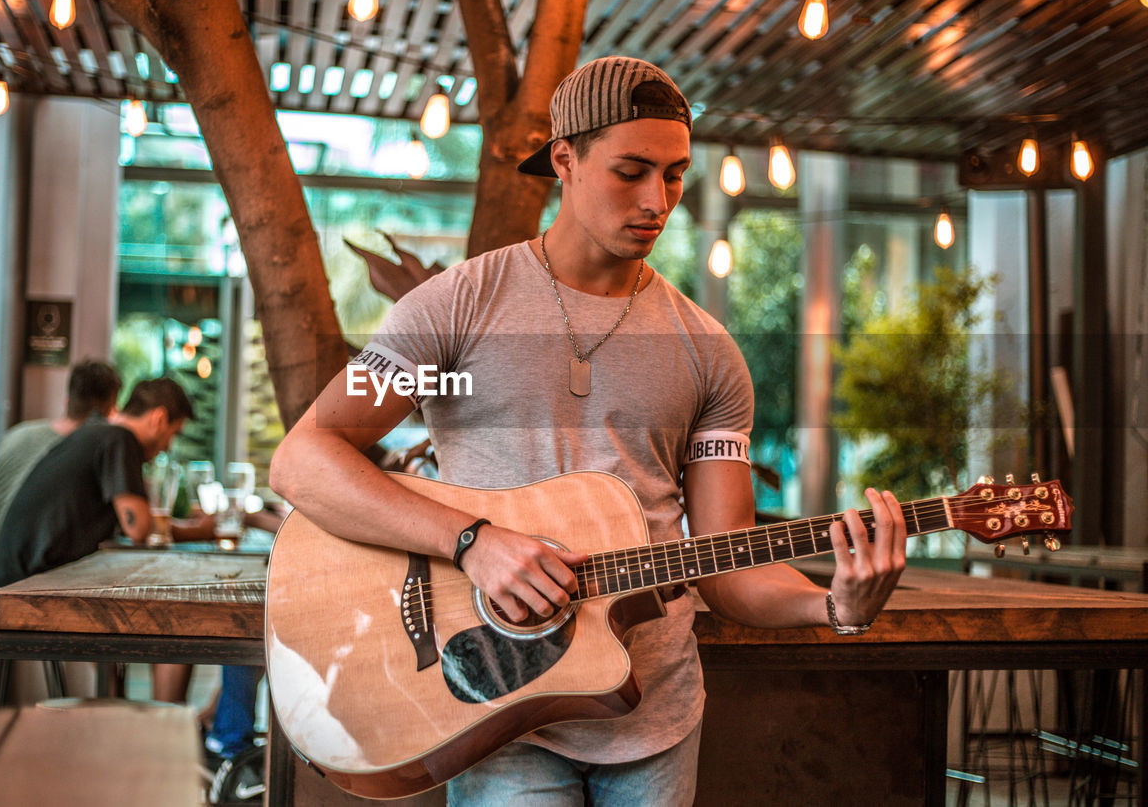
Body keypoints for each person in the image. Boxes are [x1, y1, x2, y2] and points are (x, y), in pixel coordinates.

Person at [269, 57, 907, 805]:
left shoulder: (707, 353)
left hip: (654, 715)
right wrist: (471, 541)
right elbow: (305, 459)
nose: (656, 200)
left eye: (673, 175)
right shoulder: (456, 310)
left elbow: (727, 562)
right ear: (564, 158)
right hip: (496, 709)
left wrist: (834, 606)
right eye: (631, 170)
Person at [0, 377, 213, 589]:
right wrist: (200, 531)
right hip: (21, 588)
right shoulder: (120, 440)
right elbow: (139, 528)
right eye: (173, 434)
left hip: (16, 579)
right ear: (159, 419)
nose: (168, 447)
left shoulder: (99, 432)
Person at [0, 359, 122, 587]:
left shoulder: (17, 435)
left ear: (67, 400)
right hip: (26, 585)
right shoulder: (82, 455)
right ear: (110, 411)